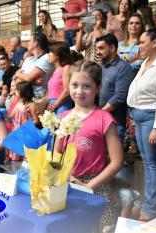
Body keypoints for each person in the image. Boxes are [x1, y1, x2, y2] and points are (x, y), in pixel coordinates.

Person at [56, 60, 123, 231]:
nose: (79, 91)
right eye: (75, 85)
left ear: (98, 87)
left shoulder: (105, 119)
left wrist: (89, 186)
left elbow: (117, 162)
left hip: (96, 187)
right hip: (68, 184)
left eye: (86, 86)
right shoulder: (63, 116)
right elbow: (57, 154)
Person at [127, 28, 156, 221]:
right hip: (139, 116)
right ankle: (150, 203)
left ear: (155, 42)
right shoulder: (146, 63)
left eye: (142, 42)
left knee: (155, 165)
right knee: (148, 163)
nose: (139, 46)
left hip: (151, 117)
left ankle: (152, 208)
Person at [96, 33, 134, 141]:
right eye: (97, 49)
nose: (98, 52)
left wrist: (100, 113)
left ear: (112, 48)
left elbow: (119, 97)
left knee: (115, 155)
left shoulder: (123, 68)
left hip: (115, 122)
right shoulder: (101, 67)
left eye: (101, 48)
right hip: (102, 118)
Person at [14, 33, 54, 98]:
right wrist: (33, 81)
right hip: (23, 96)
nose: (28, 43)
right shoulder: (28, 59)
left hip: (37, 98)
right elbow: (17, 80)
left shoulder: (46, 58)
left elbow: (28, 77)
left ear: (35, 43)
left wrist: (18, 74)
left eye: (30, 41)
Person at [8, 81, 38, 161]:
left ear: (22, 92)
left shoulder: (31, 105)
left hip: (25, 133)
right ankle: (15, 164)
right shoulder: (18, 104)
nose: (15, 91)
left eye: (17, 90)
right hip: (16, 131)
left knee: (25, 151)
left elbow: (36, 120)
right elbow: (11, 116)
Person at [47, 42, 74, 116]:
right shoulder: (56, 70)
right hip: (53, 105)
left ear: (58, 55)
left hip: (62, 105)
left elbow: (67, 91)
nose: (48, 54)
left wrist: (54, 106)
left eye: (51, 52)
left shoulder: (66, 68)